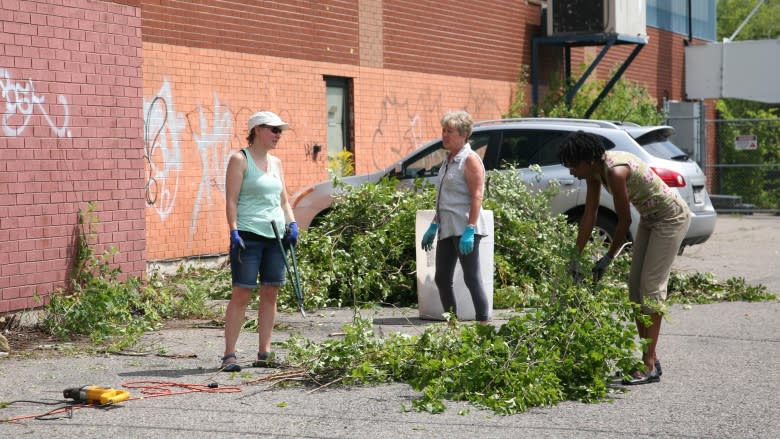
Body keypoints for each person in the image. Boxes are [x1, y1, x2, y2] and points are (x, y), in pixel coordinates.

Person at [559, 130, 691, 385]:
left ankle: (649, 364)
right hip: (651, 219)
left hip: (670, 218)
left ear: (588, 160)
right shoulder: (595, 172)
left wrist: (608, 258)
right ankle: (649, 356)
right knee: (634, 290)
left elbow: (624, 221)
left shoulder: (616, 172)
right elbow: (590, 214)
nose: (572, 172)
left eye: (574, 166)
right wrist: (575, 256)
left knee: (651, 288)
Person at [221, 111, 299, 371]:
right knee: (242, 292)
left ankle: (264, 352)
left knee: (271, 292)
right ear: (257, 130)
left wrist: (293, 223)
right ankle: (229, 355)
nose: (278, 135)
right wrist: (233, 231)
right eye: (273, 129)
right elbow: (231, 200)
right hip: (248, 235)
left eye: (280, 130)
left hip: (276, 237)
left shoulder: (276, 163)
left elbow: (284, 201)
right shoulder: (239, 160)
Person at [421, 110, 490, 324]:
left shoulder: (469, 160)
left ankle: (483, 325)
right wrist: (433, 225)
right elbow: (446, 199)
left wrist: (470, 228)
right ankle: (452, 325)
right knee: (442, 278)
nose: (444, 135)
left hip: (465, 228)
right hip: (447, 227)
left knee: (471, 277)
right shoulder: (448, 160)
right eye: (443, 130)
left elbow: (477, 195)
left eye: (449, 131)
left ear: (463, 134)